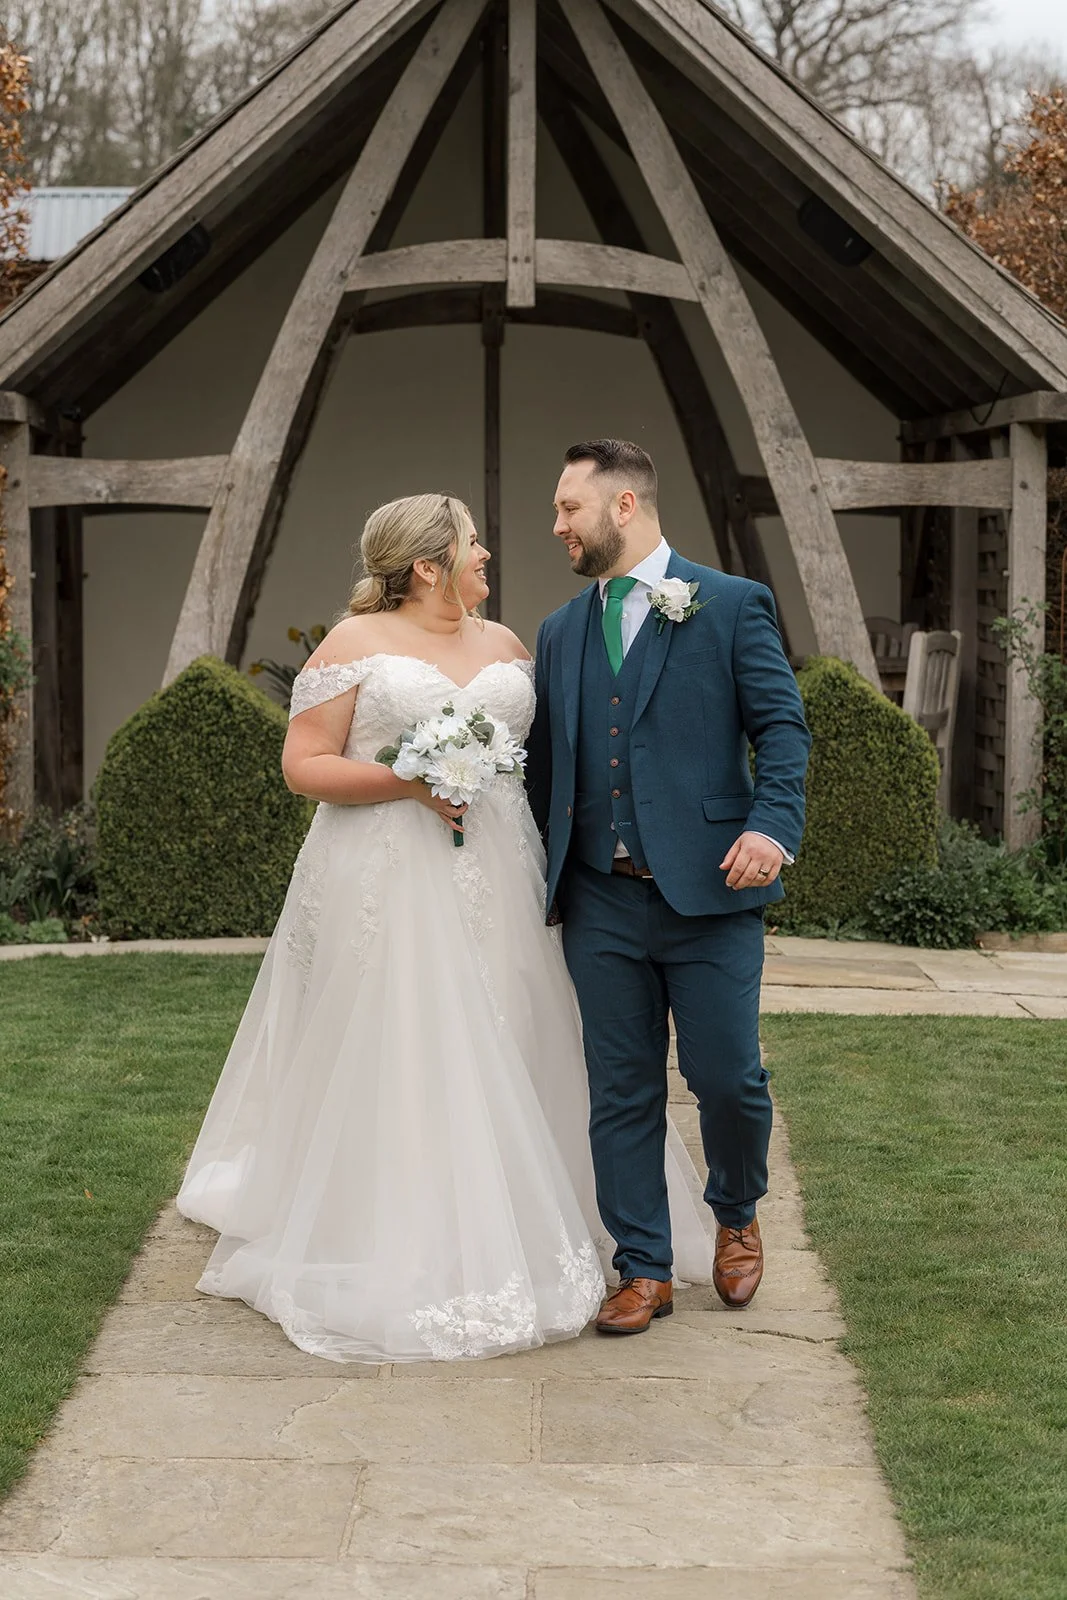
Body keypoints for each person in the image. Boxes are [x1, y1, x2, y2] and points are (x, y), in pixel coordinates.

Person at [178, 492, 714, 1363]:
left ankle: (543, 1208)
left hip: (501, 868)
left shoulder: (505, 645)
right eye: (473, 543)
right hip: (389, 871)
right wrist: (411, 781)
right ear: (428, 564)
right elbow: (303, 766)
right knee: (405, 1037)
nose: (487, 554)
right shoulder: (355, 646)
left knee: (515, 1023)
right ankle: (397, 1221)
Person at [527, 440, 810, 1335]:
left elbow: (782, 729)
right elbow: (546, 768)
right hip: (599, 897)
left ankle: (735, 1213)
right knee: (620, 1087)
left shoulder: (728, 604)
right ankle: (641, 1265)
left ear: (623, 507)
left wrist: (769, 828)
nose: (556, 525)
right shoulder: (561, 629)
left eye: (569, 507)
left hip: (712, 894)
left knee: (728, 1078)